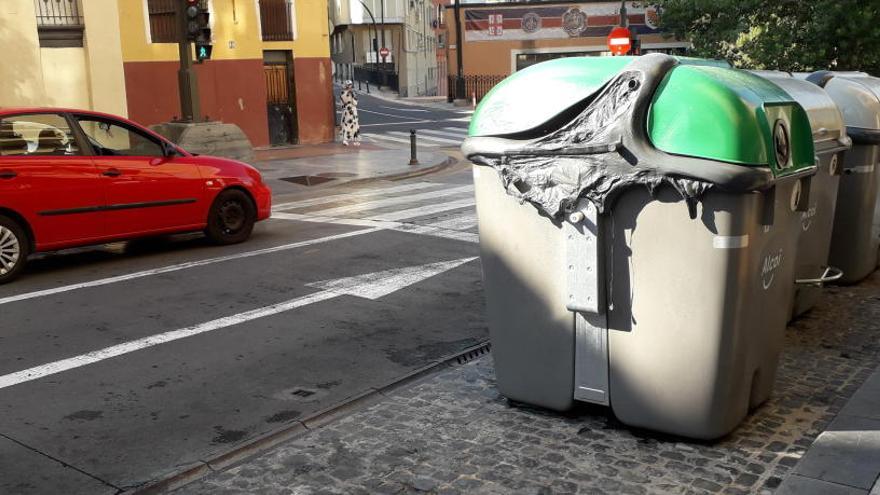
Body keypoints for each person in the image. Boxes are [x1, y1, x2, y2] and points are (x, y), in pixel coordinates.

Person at [339, 81, 361, 146]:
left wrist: (352, 96)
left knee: (355, 124)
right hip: (348, 111)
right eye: (349, 85)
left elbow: (356, 103)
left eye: (351, 85)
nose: (350, 86)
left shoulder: (353, 93)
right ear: (346, 85)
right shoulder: (343, 93)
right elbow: (342, 103)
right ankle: (345, 140)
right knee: (346, 125)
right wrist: (350, 95)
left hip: (353, 110)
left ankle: (355, 140)